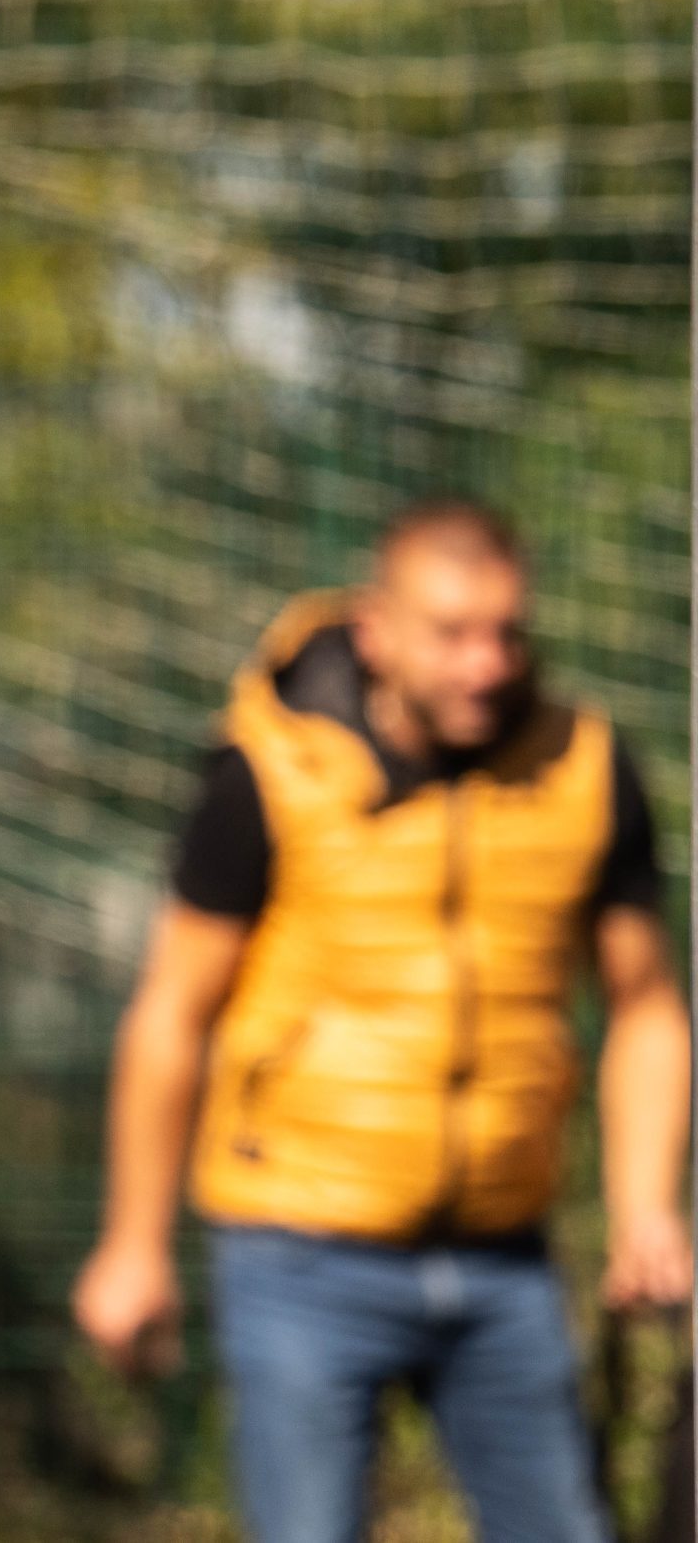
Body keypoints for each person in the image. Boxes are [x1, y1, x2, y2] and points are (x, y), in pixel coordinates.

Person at [73, 498, 692, 1543]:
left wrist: (643, 1209)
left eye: (506, 633)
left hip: (505, 1254)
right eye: (452, 634)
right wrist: (133, 1246)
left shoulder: (583, 771)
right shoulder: (270, 771)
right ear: (376, 632)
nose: (486, 665)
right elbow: (171, 1014)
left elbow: (644, 1006)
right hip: (299, 1252)